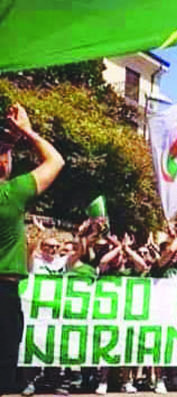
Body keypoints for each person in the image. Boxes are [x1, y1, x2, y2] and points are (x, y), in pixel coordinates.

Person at [0, 104, 64, 395]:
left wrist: (9, 142)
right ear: (3, 164)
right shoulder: (10, 195)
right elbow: (55, 160)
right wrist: (27, 132)